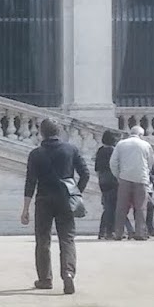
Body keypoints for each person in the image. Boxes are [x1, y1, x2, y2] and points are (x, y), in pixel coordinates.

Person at [20, 118, 90, 295]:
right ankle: (68, 274)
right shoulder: (70, 149)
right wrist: (76, 191)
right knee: (67, 238)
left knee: (43, 240)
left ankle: (45, 278)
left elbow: (30, 183)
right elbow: (85, 173)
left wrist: (25, 208)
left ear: (41, 132)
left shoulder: (36, 154)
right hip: (65, 198)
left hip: (43, 199)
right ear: (58, 131)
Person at [111, 126, 154, 241]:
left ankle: (119, 233)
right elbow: (150, 162)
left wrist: (118, 175)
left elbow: (113, 162)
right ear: (141, 135)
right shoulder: (145, 145)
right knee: (140, 207)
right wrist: (146, 173)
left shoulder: (121, 144)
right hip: (141, 178)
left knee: (121, 207)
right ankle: (140, 232)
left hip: (125, 177)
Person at [93, 129, 120, 240]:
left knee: (107, 205)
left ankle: (102, 231)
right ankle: (110, 231)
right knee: (111, 207)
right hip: (113, 179)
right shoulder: (114, 151)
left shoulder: (100, 150)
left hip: (103, 180)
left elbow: (97, 168)